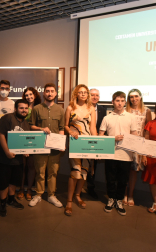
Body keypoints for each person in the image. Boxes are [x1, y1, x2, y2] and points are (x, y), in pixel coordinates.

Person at [99, 91, 137, 216]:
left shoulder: (131, 117)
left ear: (125, 102)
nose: (119, 103)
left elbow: (135, 136)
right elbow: (101, 136)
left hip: (126, 155)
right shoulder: (107, 118)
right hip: (110, 154)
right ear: (112, 102)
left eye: (122, 101)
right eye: (117, 101)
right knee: (110, 178)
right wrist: (113, 138)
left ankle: (119, 200)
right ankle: (111, 199)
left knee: (123, 180)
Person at [29, 83, 65, 208]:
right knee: (40, 172)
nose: (50, 93)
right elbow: (31, 126)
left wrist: (61, 143)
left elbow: (61, 128)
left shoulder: (60, 110)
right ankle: (38, 194)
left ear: (56, 93)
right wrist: (41, 129)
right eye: (47, 91)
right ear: (44, 93)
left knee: (53, 172)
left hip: (55, 148)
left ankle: (51, 195)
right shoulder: (37, 108)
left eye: (52, 91)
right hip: (40, 146)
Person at [64, 85, 97, 216]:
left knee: (84, 171)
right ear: (76, 94)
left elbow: (93, 128)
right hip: (75, 143)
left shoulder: (91, 108)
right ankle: (69, 201)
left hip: (87, 144)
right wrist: (70, 131)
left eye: (85, 92)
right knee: (75, 172)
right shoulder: (70, 107)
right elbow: (66, 125)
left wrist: (96, 145)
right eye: (80, 92)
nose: (83, 94)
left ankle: (78, 195)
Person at [0, 99, 30, 217]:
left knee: (14, 180)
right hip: (4, 158)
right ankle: (3, 203)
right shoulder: (7, 118)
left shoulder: (26, 123)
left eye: (26, 108)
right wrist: (7, 152)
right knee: (3, 182)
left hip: (17, 160)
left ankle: (11, 199)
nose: (24, 110)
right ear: (15, 109)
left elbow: (24, 140)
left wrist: (25, 151)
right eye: (21, 108)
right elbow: (1, 135)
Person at [123, 89, 152, 206]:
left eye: (136, 96)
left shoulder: (147, 111)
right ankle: (123, 194)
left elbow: (148, 130)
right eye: (131, 97)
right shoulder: (125, 110)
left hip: (139, 145)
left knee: (134, 171)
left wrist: (145, 149)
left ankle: (130, 195)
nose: (134, 99)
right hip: (125, 144)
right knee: (124, 170)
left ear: (140, 97)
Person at [16, 87, 41, 201]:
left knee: (31, 166)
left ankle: (30, 189)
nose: (29, 97)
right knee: (22, 165)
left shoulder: (40, 108)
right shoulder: (22, 108)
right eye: (26, 95)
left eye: (31, 94)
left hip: (35, 140)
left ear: (35, 95)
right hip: (22, 139)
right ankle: (21, 188)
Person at [86, 88, 106, 199]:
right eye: (92, 95)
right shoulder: (82, 108)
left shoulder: (103, 110)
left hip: (96, 141)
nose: (95, 97)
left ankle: (90, 187)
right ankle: (78, 188)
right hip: (83, 141)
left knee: (93, 167)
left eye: (97, 95)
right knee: (81, 165)